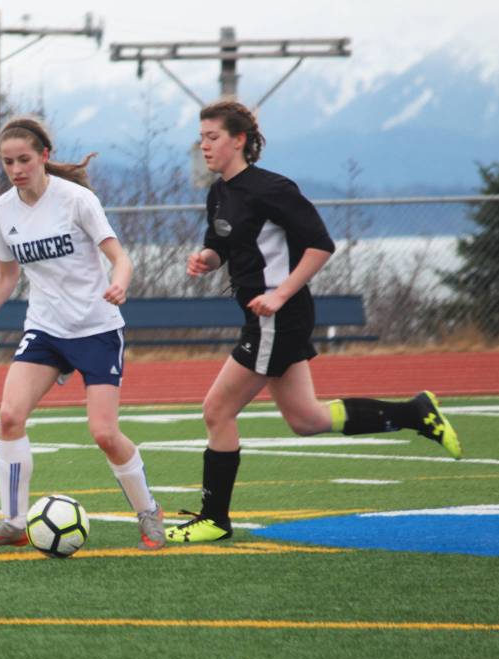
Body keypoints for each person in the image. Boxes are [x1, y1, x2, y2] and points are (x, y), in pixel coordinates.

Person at [166, 100, 463, 544]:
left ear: (239, 140)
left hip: (278, 318)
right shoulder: (220, 192)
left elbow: (321, 245)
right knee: (306, 419)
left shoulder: (273, 189)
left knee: (217, 410)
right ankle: (414, 413)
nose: (204, 145)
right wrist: (206, 259)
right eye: (201, 137)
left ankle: (214, 519)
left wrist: (280, 293)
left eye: (212, 137)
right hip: (264, 317)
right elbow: (221, 246)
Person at [0, 116, 166, 553]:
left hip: (96, 329)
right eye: (8, 162)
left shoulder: (76, 200)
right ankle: (14, 522)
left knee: (104, 434)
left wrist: (120, 283)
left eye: (24, 159)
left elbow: (120, 258)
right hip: (46, 329)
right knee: (9, 417)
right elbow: (6, 275)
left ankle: (149, 512)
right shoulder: (1, 211)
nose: (16, 169)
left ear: (44, 157)